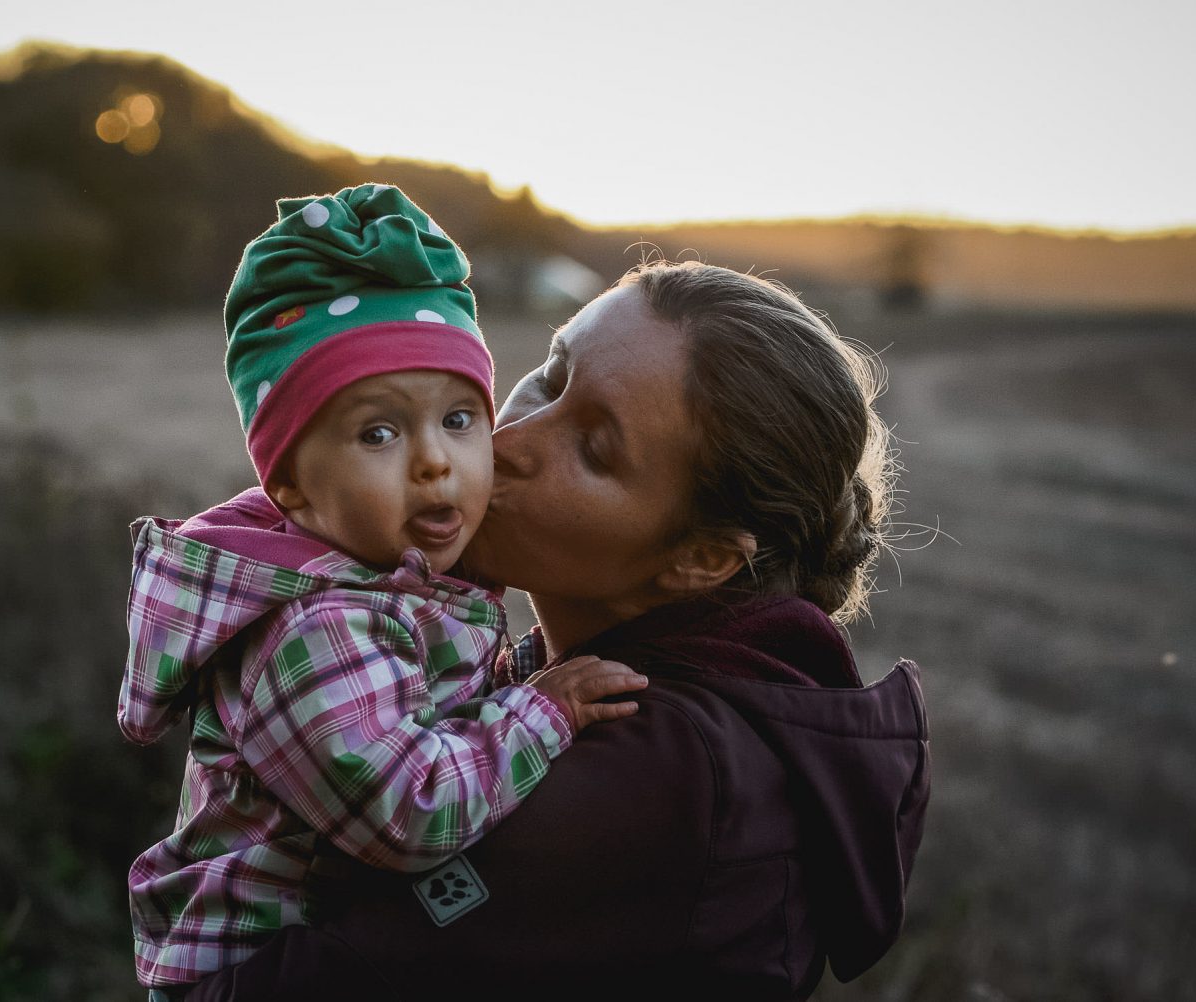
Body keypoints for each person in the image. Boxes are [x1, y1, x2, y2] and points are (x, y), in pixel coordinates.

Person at [181, 260, 932, 1001]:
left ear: (700, 559)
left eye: (594, 448)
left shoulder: (661, 776)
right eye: (548, 373)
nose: (500, 442)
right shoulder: (583, 674)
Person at [116, 184, 648, 994]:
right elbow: (409, 809)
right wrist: (545, 709)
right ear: (291, 484)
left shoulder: (398, 583)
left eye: (459, 419)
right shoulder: (315, 623)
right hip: (250, 975)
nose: (436, 461)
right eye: (379, 432)